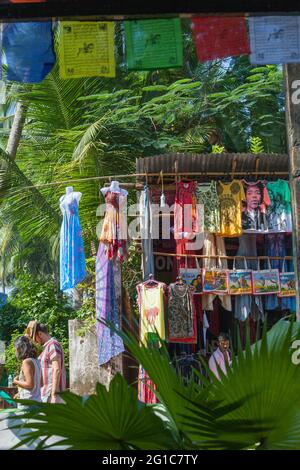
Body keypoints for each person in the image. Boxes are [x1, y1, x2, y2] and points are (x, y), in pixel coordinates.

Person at [33, 323, 66, 404]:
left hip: (51, 395)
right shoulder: (47, 347)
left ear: (40, 334)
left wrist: (54, 395)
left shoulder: (52, 344)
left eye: (35, 337)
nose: (35, 341)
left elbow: (57, 369)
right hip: (47, 394)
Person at [12, 336, 42, 408]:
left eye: (16, 348)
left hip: (28, 403)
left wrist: (15, 381)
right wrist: (20, 393)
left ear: (20, 348)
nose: (15, 351)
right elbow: (41, 382)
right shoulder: (36, 361)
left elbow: (30, 385)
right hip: (37, 401)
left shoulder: (26, 362)